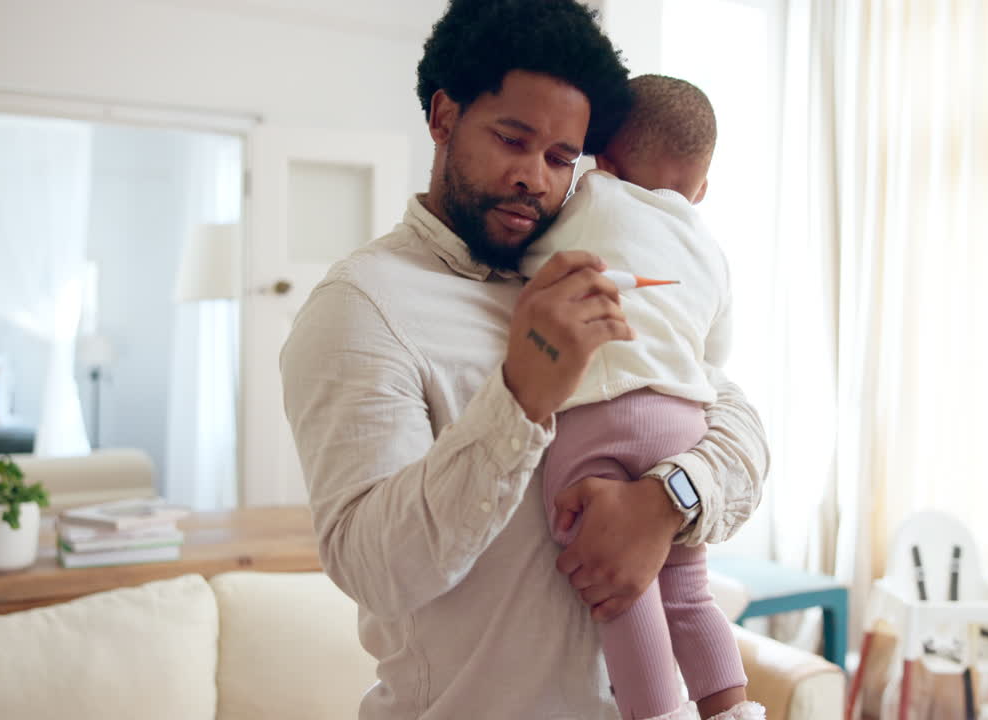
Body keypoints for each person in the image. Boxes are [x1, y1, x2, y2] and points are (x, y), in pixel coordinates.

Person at [279, 1, 768, 718]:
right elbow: (373, 568)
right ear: (444, 117)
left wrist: (667, 501)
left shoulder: (596, 265)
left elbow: (741, 429)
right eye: (513, 140)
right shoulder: (361, 307)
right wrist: (520, 400)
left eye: (561, 158)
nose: (534, 179)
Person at [523, 75, 762, 720]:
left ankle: (657, 713)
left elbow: (532, 264)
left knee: (618, 591)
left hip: (596, 419)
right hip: (683, 423)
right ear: (702, 188)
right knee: (688, 589)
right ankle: (732, 707)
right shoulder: (709, 251)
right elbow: (714, 359)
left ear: (604, 161)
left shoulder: (591, 196)